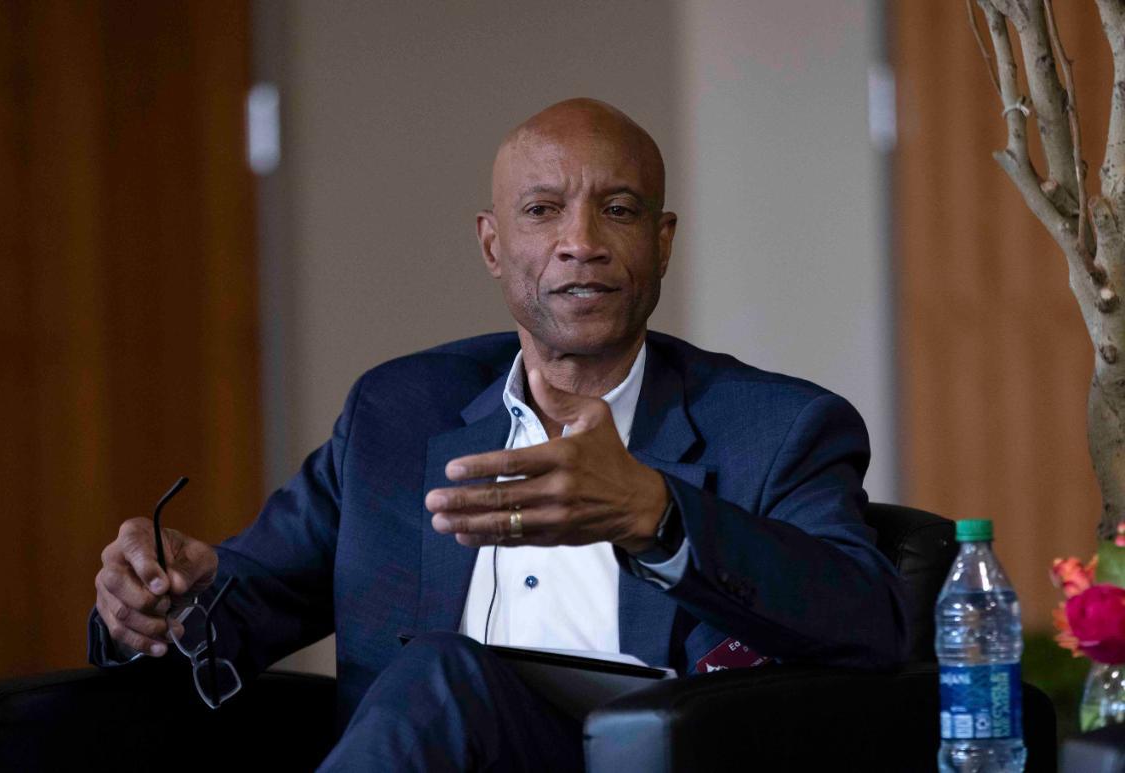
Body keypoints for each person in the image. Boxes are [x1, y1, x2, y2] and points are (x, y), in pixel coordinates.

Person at [90, 98, 907, 770]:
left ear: (661, 243)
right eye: (543, 210)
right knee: (439, 678)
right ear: (492, 243)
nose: (580, 242)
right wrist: (156, 605)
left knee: (442, 671)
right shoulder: (398, 416)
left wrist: (657, 515)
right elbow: (243, 603)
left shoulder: (775, 428)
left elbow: (870, 621)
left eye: (617, 210)